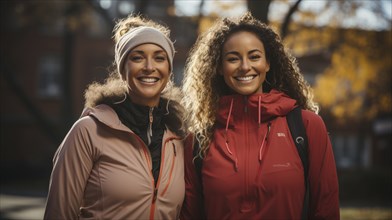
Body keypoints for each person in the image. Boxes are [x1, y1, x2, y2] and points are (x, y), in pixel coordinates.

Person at [180, 12, 339, 220]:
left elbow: (326, 208)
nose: (245, 66)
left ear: (268, 63)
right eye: (233, 58)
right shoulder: (198, 141)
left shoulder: (306, 126)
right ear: (219, 67)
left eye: (254, 56)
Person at [44, 14, 186, 219]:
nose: (149, 67)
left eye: (159, 57)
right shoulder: (89, 131)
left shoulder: (178, 139)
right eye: (137, 57)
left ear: (169, 69)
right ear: (122, 69)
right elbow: (59, 214)